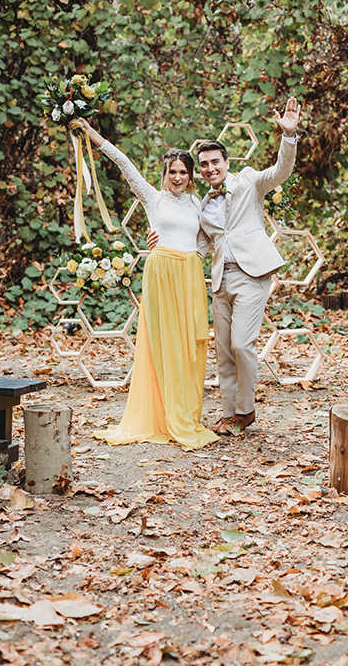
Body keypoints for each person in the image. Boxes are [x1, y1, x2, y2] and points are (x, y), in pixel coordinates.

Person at [148, 97, 299, 436]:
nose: (209, 168)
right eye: (203, 164)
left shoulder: (248, 182)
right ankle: (230, 413)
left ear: (226, 162)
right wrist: (162, 247)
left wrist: (288, 137)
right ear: (199, 170)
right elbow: (198, 245)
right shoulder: (201, 204)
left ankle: (246, 410)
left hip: (252, 275)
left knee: (243, 344)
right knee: (224, 350)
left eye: (215, 161)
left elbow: (280, 172)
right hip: (220, 280)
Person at [71, 117, 219, 449]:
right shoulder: (153, 198)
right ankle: (162, 414)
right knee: (163, 343)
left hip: (190, 274)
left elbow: (208, 239)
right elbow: (123, 163)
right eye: (172, 172)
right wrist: (91, 133)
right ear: (164, 174)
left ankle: (185, 413)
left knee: (190, 346)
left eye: (183, 172)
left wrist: (194, 253)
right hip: (162, 271)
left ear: (191, 176)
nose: (178, 177)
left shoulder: (199, 204)